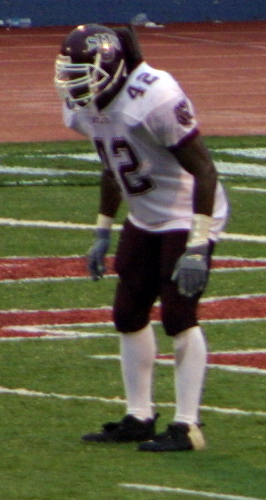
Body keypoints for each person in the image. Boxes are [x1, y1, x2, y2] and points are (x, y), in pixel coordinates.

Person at [59, 23, 227, 454]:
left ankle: (187, 426)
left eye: (83, 74)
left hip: (187, 210)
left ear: (112, 69)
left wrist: (198, 244)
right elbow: (112, 165)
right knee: (128, 312)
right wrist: (102, 230)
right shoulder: (84, 107)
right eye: (69, 74)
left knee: (178, 315)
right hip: (146, 212)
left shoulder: (155, 96)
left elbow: (205, 171)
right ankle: (139, 416)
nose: (74, 85)